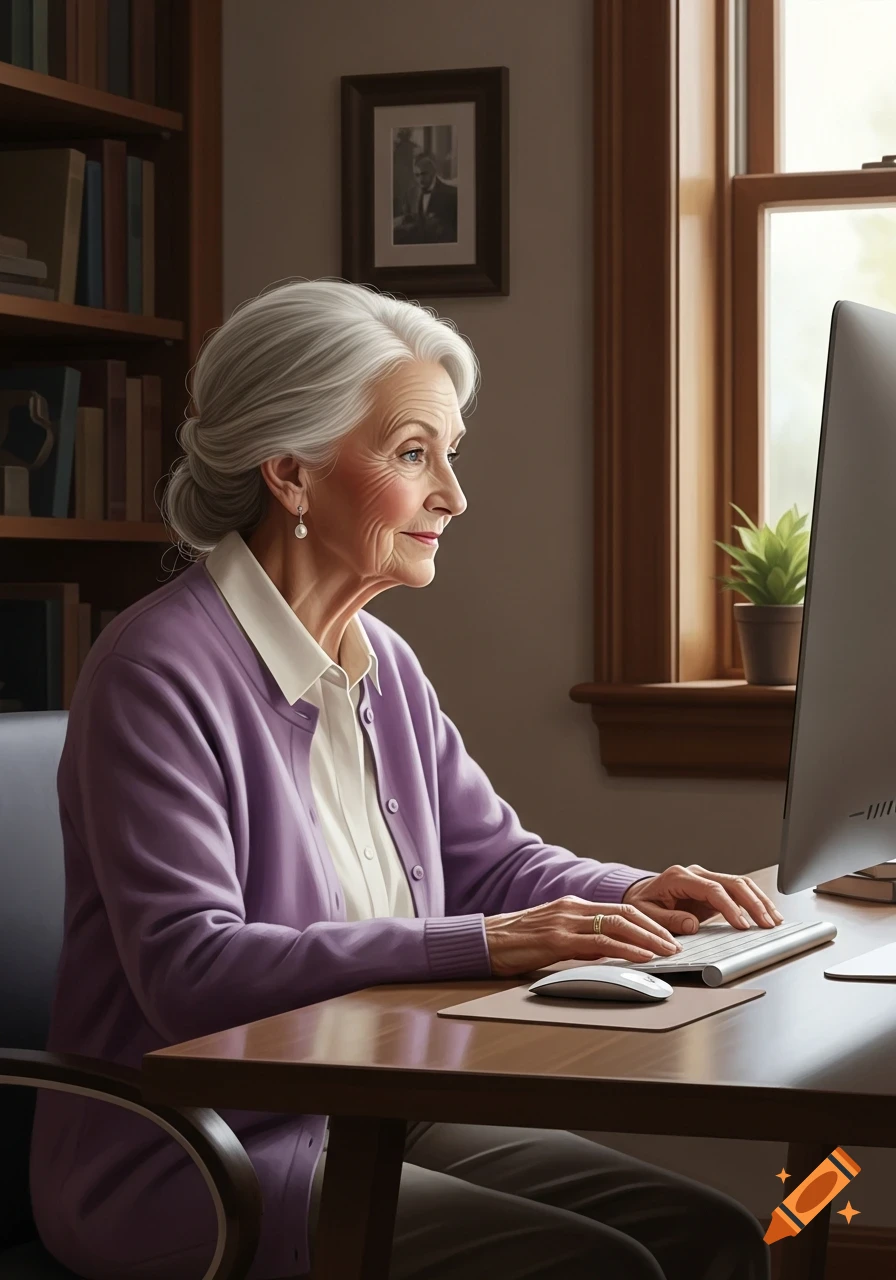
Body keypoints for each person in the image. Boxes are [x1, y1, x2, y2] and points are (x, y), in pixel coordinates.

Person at [30, 279, 774, 1280]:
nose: (452, 496)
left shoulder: (381, 658)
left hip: (374, 1104)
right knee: (591, 1267)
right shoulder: (154, 672)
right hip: (194, 1149)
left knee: (709, 1238)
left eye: (448, 454)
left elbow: (493, 863)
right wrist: (485, 943)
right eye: (414, 453)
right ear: (291, 473)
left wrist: (633, 893)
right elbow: (189, 970)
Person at [393, 152, 458, 243]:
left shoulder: (452, 194)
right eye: (417, 175)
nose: (420, 179)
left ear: (433, 172)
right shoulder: (411, 194)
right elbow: (407, 220)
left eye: (424, 174)